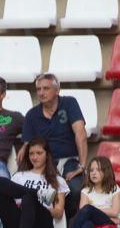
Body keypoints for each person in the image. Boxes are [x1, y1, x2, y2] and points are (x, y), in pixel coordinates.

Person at [22, 73, 89, 216]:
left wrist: (82, 166)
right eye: (38, 89)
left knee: (75, 189)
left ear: (57, 90)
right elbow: (27, 146)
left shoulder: (69, 103)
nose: (41, 92)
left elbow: (80, 134)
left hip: (69, 160)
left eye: (46, 88)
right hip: (44, 163)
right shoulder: (31, 115)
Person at [0, 138, 67, 228]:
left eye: (39, 153)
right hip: (17, 223)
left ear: (47, 155)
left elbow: (59, 213)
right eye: (31, 153)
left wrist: (40, 206)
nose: (34, 157)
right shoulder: (19, 176)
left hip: (41, 223)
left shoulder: (58, 180)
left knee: (29, 198)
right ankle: (38, 193)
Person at [52, 155, 120, 228]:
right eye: (91, 170)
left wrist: (94, 209)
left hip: (107, 223)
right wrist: (102, 211)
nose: (93, 173)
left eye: (98, 170)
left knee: (88, 209)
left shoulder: (114, 188)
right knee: (86, 224)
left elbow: (115, 211)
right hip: (93, 224)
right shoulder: (86, 190)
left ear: (106, 171)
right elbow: (82, 211)